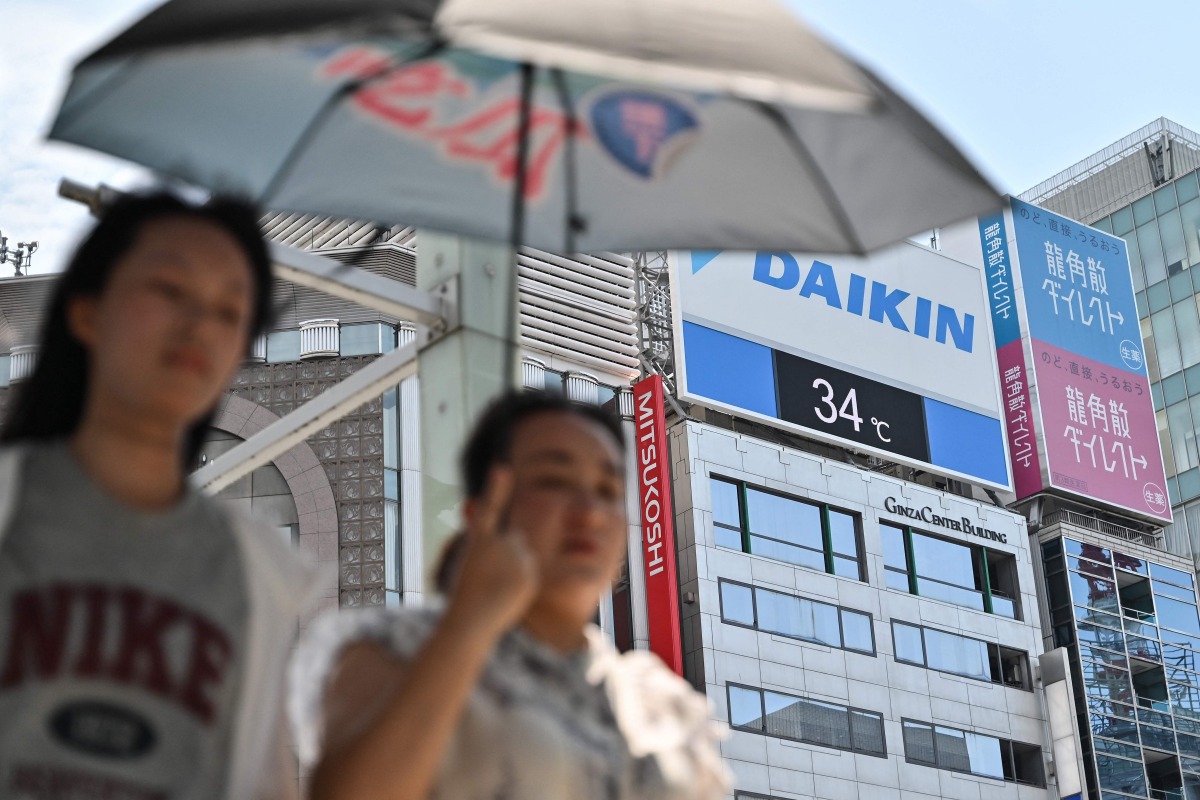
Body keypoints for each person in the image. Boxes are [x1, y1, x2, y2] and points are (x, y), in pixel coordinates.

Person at [0, 192, 311, 799]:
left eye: (230, 311)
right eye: (170, 290)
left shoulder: (258, 571)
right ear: (88, 312)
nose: (200, 323)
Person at [290, 391, 729, 800]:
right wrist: (470, 623)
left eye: (607, 491)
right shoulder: (394, 646)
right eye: (555, 480)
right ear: (483, 511)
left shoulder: (663, 704)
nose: (590, 513)